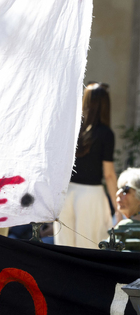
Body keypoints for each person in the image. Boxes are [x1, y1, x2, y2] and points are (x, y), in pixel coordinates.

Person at [55, 82, 117, 248]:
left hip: (66, 194)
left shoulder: (73, 129)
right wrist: (118, 208)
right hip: (90, 196)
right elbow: (109, 174)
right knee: (89, 249)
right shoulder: (106, 134)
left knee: (64, 250)